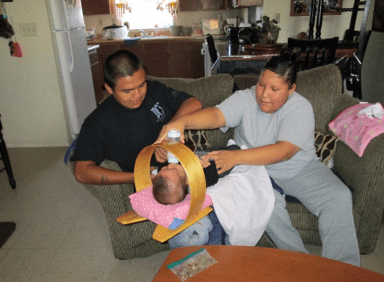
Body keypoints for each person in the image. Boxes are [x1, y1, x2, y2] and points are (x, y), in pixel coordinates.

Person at [156, 50, 360, 266]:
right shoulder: (245, 98)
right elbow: (216, 115)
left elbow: (284, 151)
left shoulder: (300, 108)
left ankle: (343, 269)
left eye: (274, 89)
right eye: (261, 85)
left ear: (291, 89)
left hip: (300, 169)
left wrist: (235, 157)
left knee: (339, 197)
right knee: (268, 208)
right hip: (256, 171)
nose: (264, 94)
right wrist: (182, 122)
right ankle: (300, 263)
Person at [71, 50, 202, 185]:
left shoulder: (154, 90)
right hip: (154, 185)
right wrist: (139, 176)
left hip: (187, 166)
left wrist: (171, 128)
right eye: (127, 91)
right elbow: (82, 172)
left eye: (141, 85)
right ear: (109, 89)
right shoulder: (98, 121)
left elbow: (194, 103)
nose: (137, 95)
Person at [152, 145, 239, 205]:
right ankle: (237, 152)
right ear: (188, 180)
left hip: (204, 153)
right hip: (218, 164)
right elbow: (212, 178)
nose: (171, 165)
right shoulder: (196, 182)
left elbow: (162, 167)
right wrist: (207, 166)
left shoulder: (172, 173)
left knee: (216, 150)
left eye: (166, 168)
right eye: (175, 169)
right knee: (234, 151)